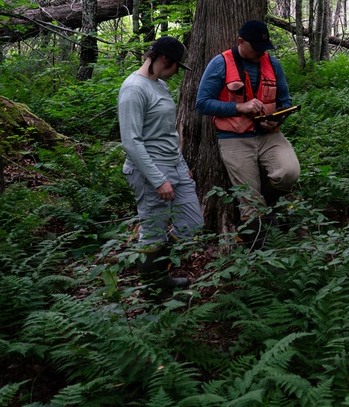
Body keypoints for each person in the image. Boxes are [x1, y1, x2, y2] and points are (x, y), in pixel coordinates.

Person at [194, 20, 300, 232]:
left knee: (290, 173)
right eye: (257, 48)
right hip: (235, 137)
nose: (262, 53)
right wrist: (240, 107)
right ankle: (258, 241)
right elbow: (202, 104)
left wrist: (278, 118)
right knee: (250, 199)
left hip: (270, 135)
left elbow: (285, 101)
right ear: (241, 42)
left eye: (264, 48)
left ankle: (268, 204)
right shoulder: (220, 63)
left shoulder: (272, 63)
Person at [118, 36, 203, 295]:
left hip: (173, 165)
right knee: (154, 230)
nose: (177, 71)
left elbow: (168, 133)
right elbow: (131, 143)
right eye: (177, 65)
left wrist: (180, 164)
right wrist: (158, 179)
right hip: (149, 171)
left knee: (192, 224)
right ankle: (154, 290)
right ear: (164, 60)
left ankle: (158, 270)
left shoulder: (160, 85)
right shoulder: (134, 89)